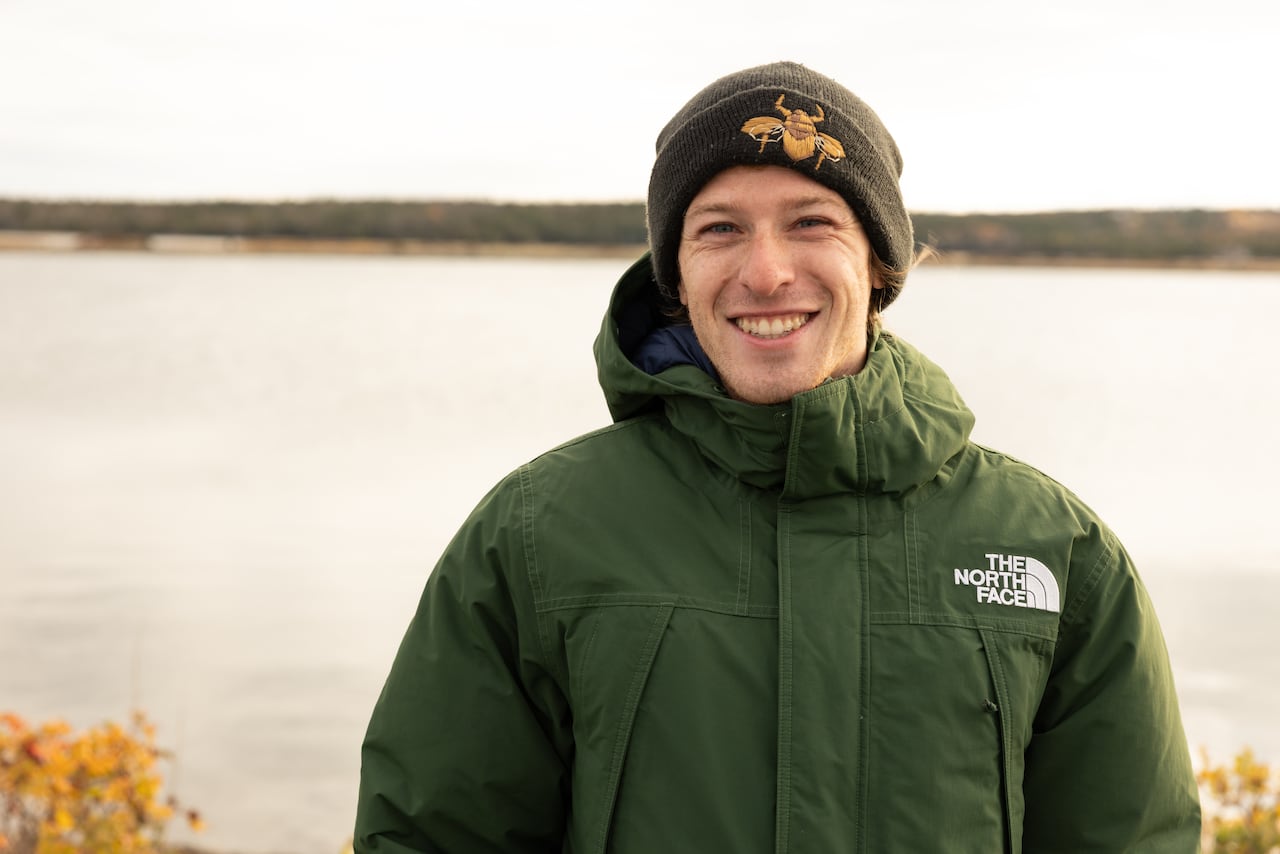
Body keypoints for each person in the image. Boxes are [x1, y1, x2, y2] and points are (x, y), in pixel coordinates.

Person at [354, 61, 1201, 852]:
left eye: (812, 224)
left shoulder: (1057, 552)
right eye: (720, 229)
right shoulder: (537, 536)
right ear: (676, 275)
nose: (765, 273)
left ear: (878, 264)